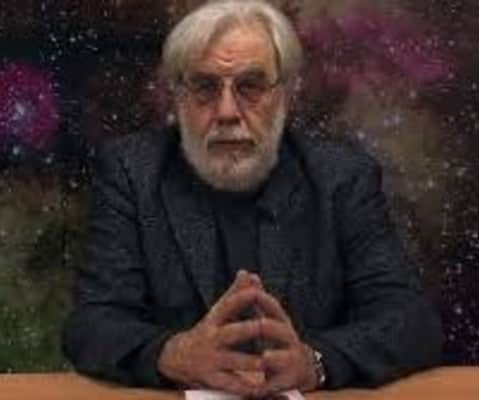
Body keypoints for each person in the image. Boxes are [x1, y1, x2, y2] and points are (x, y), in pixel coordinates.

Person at [63, 0, 443, 396]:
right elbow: (91, 324)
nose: (227, 111)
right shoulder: (131, 171)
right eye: (205, 87)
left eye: (251, 86)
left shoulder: (342, 177)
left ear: (286, 94)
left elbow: (411, 321)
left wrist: (315, 362)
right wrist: (171, 353)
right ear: (177, 95)